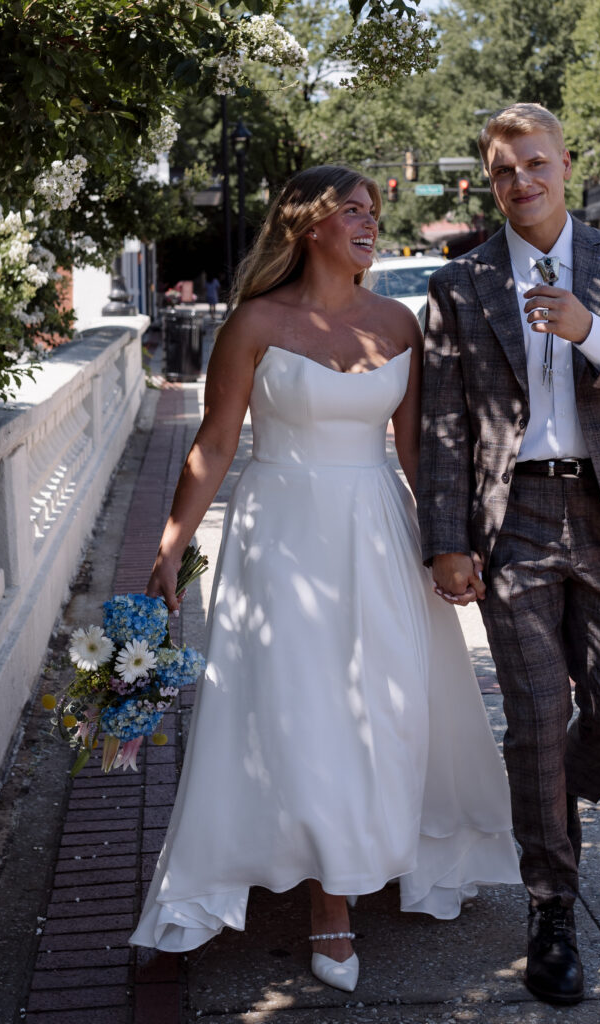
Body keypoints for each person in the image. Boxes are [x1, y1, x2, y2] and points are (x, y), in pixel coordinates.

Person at [129, 165, 520, 991]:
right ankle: (327, 903)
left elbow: (416, 453)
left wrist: (449, 544)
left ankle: (370, 852)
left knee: (383, 702)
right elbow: (215, 445)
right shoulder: (254, 324)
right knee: (299, 706)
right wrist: (170, 546)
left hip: (375, 527)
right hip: (281, 534)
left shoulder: (400, 327)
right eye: (351, 210)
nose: (368, 222)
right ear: (308, 226)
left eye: (372, 211)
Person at [417, 104, 600, 1007]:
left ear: (565, 162)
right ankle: (551, 908)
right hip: (512, 520)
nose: (519, 181)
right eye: (500, 170)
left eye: (533, 163)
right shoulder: (460, 284)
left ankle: (547, 799)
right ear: (486, 180)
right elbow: (441, 434)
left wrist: (589, 332)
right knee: (532, 719)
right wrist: (444, 542)